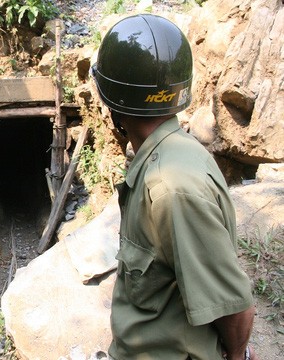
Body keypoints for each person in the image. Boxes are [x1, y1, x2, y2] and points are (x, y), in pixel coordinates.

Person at [90, 14, 257, 360]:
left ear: (113, 102)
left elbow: (234, 306)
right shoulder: (173, 154)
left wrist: (238, 356)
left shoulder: (170, 188)